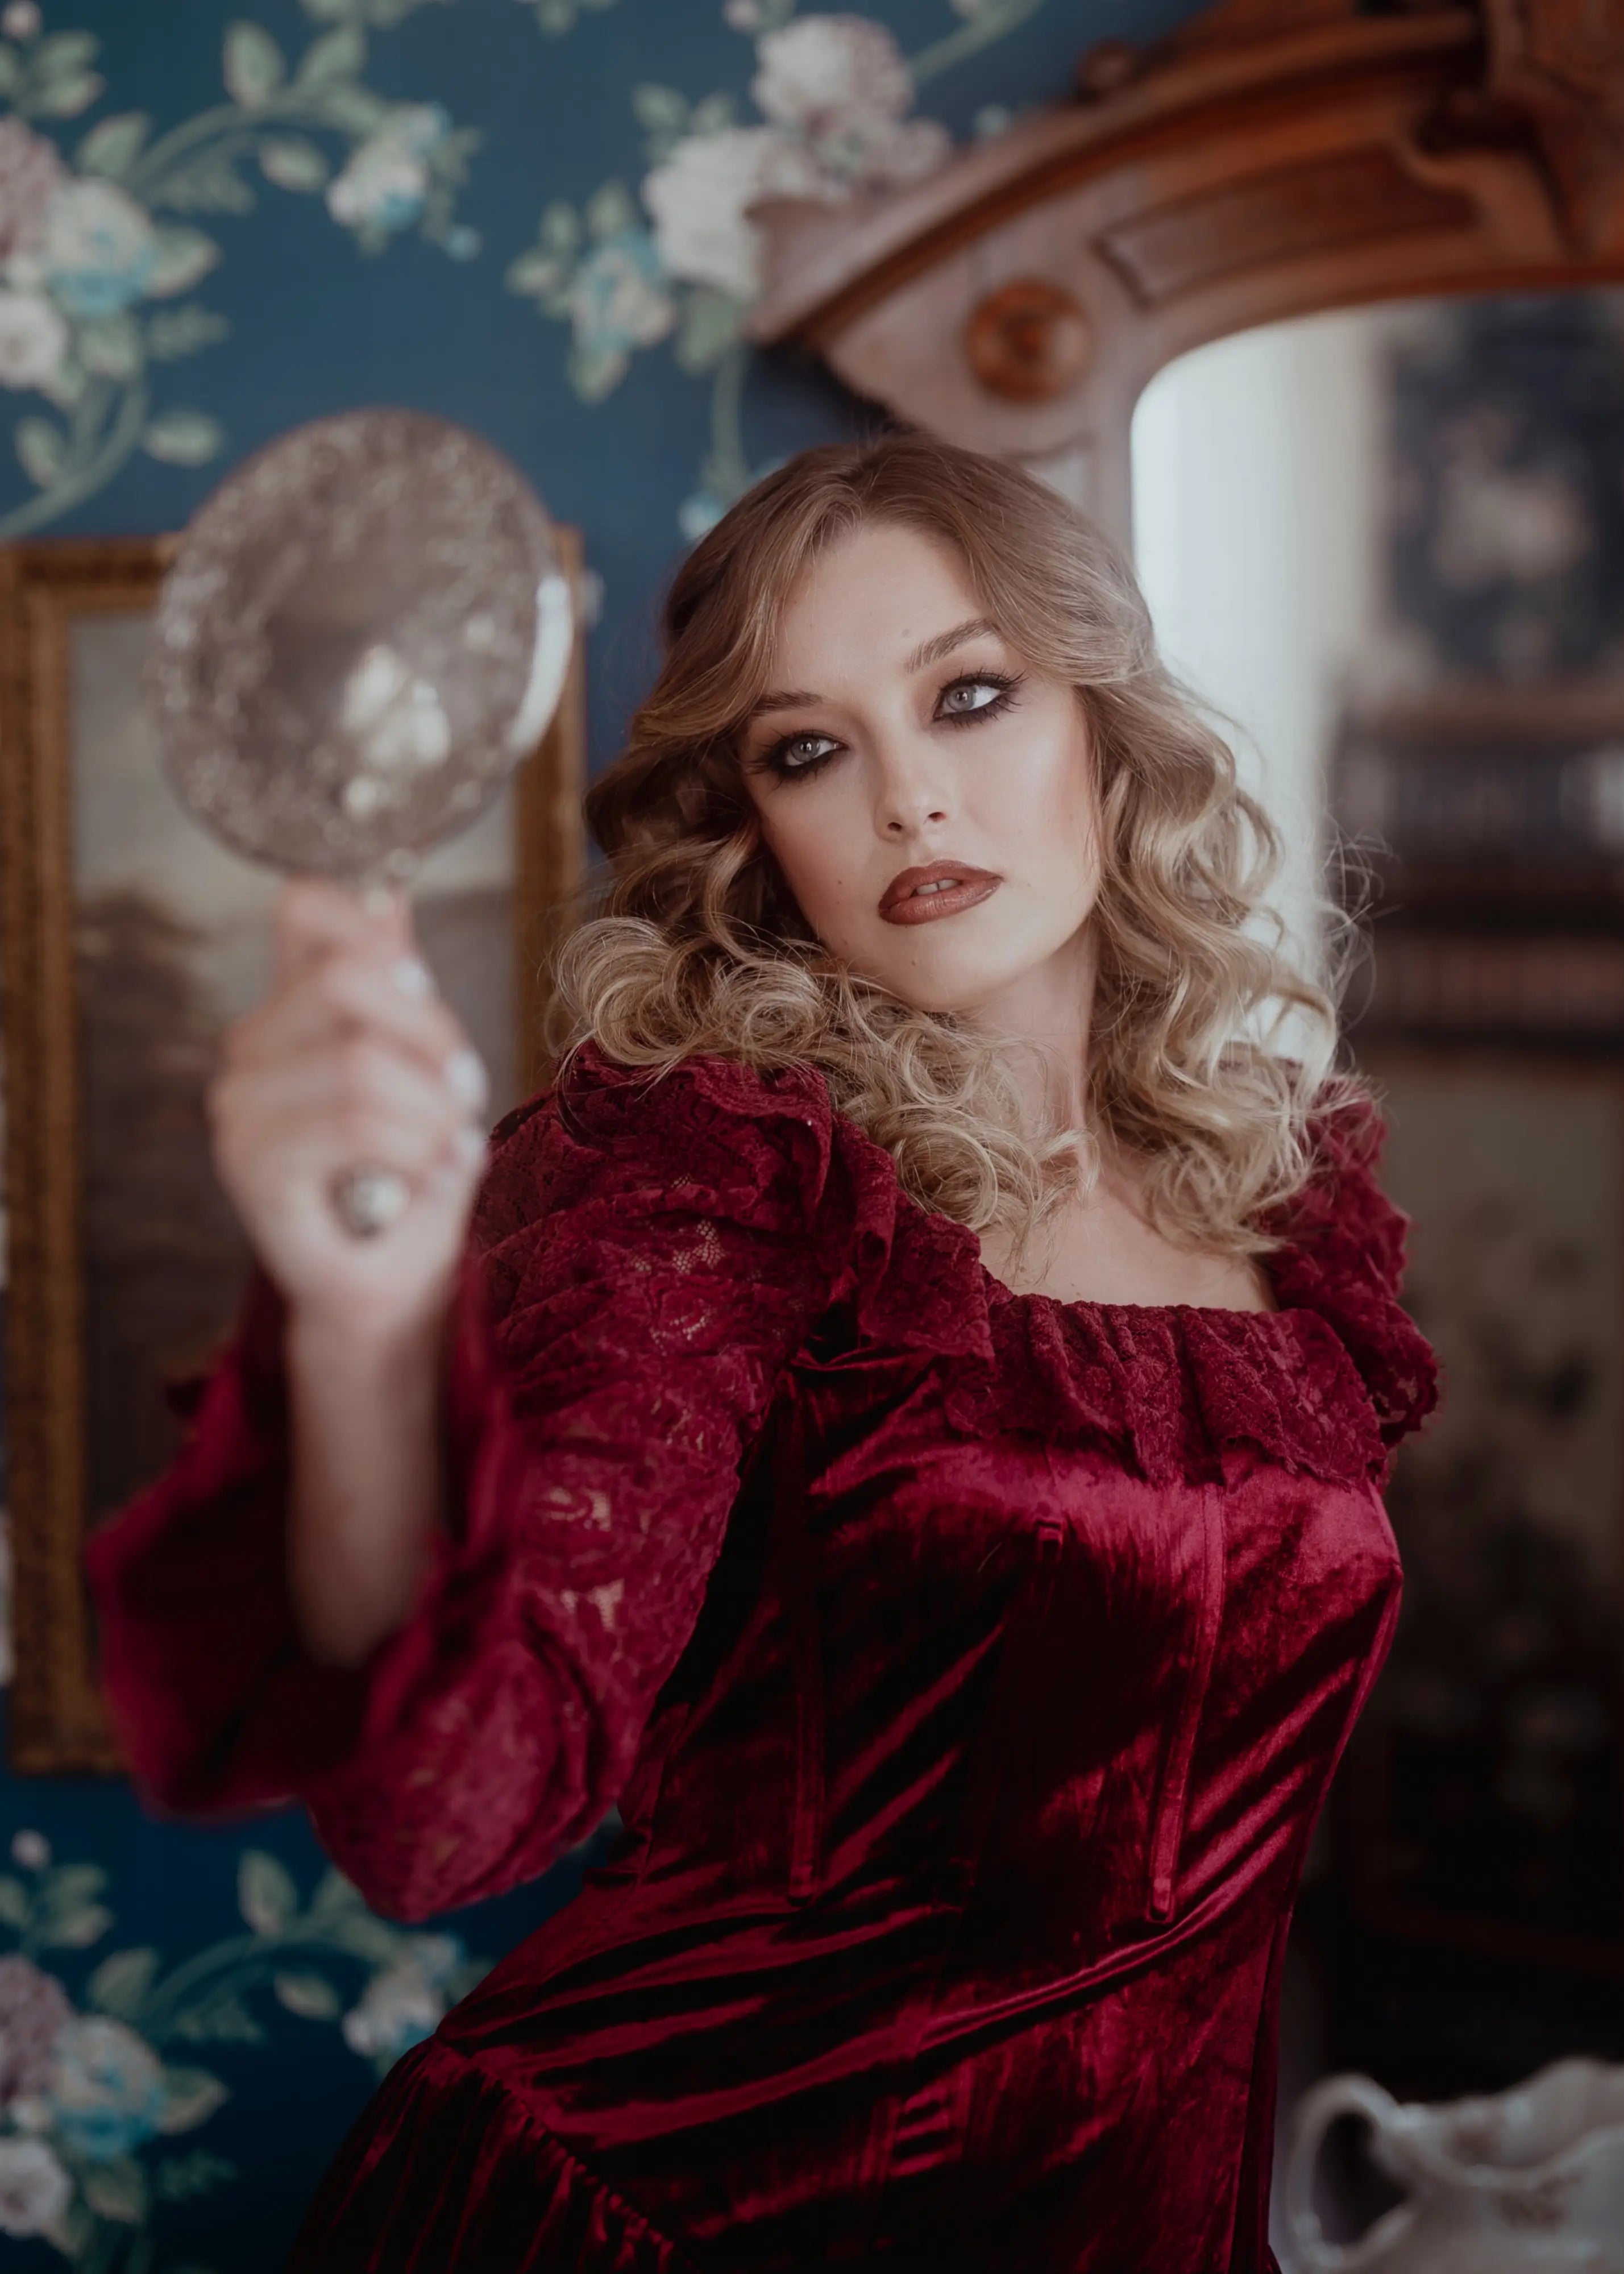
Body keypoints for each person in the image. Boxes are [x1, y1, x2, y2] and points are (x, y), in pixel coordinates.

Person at [85, 433, 1437, 2274]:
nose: (906, 801)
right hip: (663, 2222)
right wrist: (357, 1321)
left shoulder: (1291, 1195)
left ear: (1107, 734)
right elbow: (444, 1821)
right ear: (758, 828)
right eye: (812, 748)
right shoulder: (721, 1180)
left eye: (970, 699)